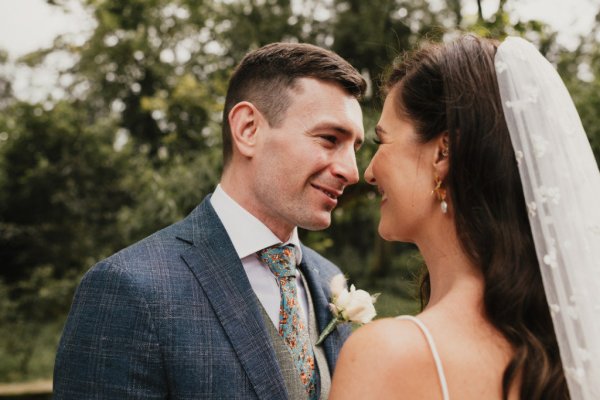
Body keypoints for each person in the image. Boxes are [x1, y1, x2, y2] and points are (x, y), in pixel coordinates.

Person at [53, 42, 366, 399]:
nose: (351, 172)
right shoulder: (130, 288)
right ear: (248, 129)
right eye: (329, 139)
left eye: (354, 148)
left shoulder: (328, 278)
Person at [330, 34, 600, 399]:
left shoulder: (389, 357)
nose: (369, 173)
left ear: (443, 152)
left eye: (382, 142)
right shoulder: (564, 348)